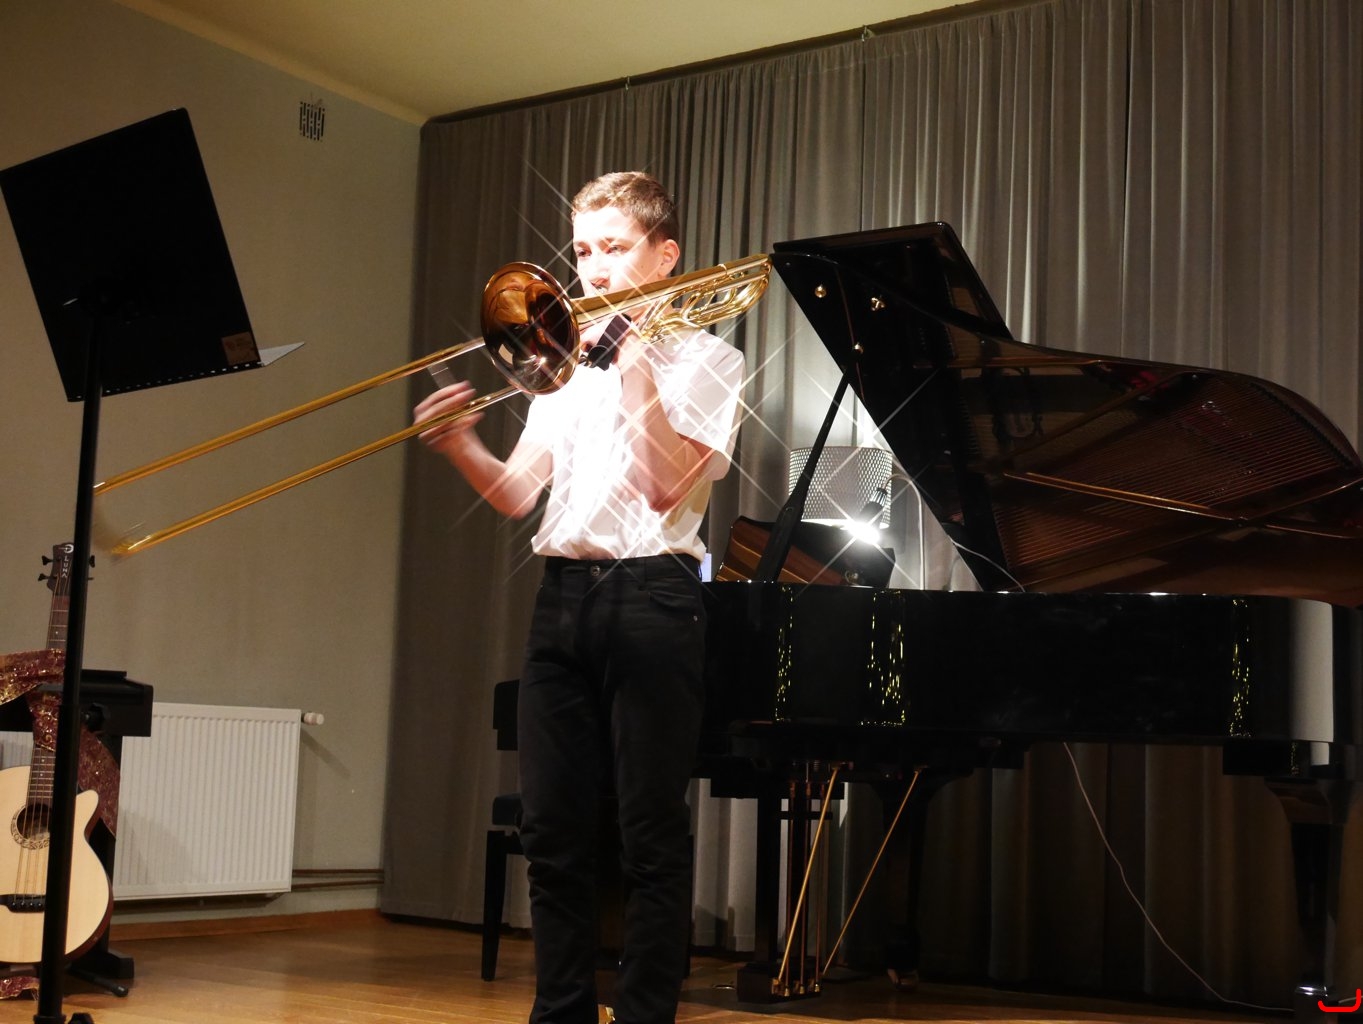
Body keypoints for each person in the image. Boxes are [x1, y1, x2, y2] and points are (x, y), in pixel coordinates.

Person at [414, 171, 746, 1024]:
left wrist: (636, 367)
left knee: (649, 833)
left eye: (614, 248)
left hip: (654, 598)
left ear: (664, 256)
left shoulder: (712, 361)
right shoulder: (559, 374)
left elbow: (665, 486)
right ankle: (557, 1013)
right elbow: (517, 493)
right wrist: (459, 446)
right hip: (561, 599)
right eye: (583, 250)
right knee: (553, 832)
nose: (592, 269)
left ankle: (643, 1016)